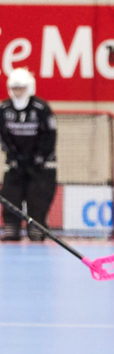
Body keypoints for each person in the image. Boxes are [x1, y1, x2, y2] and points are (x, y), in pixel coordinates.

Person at [1, 67, 58, 242]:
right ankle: (12, 228)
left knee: (38, 197)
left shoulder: (41, 108)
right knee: (11, 194)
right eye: (15, 88)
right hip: (16, 162)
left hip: (40, 164)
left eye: (22, 88)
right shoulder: (4, 108)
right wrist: (12, 154)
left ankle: (37, 228)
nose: (18, 92)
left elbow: (50, 134)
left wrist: (40, 156)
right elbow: (2, 134)